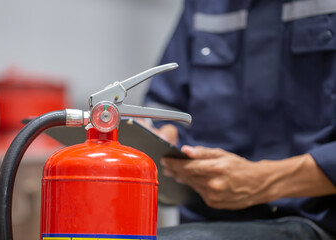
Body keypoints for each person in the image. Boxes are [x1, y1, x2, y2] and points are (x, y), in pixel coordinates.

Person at [144, 0, 336, 239]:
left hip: (319, 222)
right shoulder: (203, 6)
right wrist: (163, 134)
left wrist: (267, 181)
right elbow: (164, 104)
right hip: (207, 219)